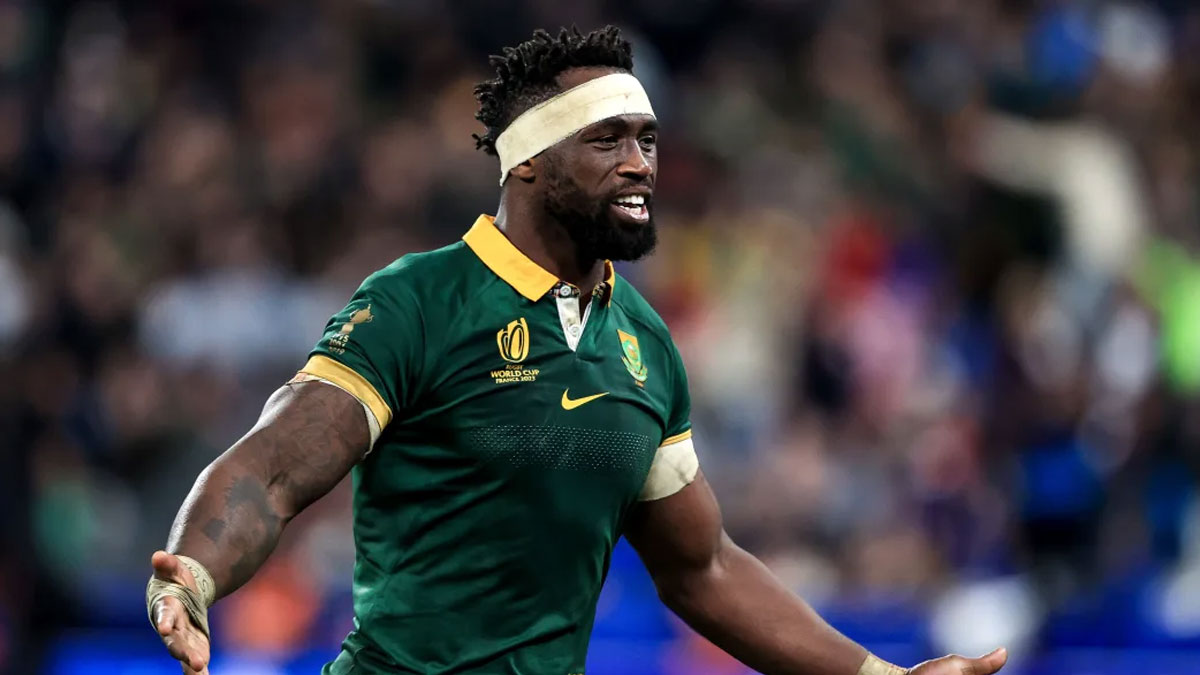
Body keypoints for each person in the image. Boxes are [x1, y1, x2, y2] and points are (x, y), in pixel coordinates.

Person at [147, 25, 1008, 675]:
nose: (640, 164)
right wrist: (193, 574)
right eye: (607, 140)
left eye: (648, 140)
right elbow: (274, 467)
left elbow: (703, 566)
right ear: (527, 163)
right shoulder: (419, 300)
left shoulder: (644, 343)